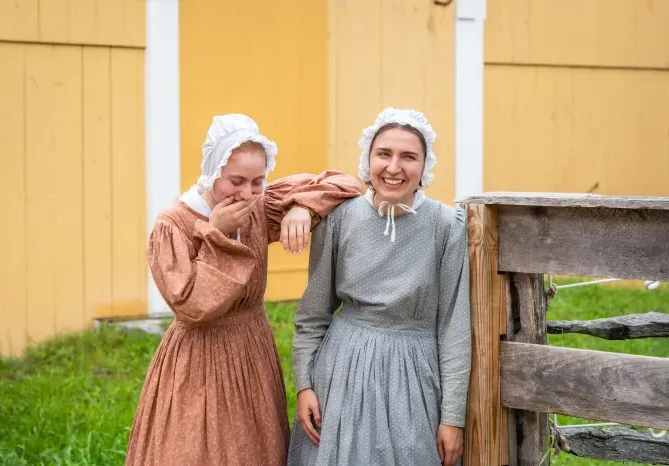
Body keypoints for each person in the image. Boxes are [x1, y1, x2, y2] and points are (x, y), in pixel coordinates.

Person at [125, 114, 363, 466]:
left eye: (258, 181)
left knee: (252, 447)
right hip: (197, 358)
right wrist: (216, 235)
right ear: (212, 171)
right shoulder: (173, 225)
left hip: (251, 348)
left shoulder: (259, 206)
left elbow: (345, 184)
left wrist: (300, 207)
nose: (247, 193)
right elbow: (192, 306)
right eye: (235, 181)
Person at [288, 108, 472, 466]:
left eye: (408, 157)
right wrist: (305, 384)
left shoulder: (446, 225)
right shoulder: (339, 219)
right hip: (341, 371)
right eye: (384, 154)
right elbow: (312, 314)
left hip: (415, 373)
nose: (393, 167)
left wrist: (452, 416)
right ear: (368, 159)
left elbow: (454, 327)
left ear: (424, 166)